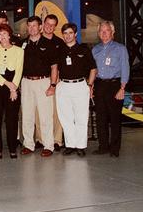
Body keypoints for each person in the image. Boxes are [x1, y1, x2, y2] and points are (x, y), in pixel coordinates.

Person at [52, 23, 97, 157]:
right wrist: (55, 84)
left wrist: (90, 85)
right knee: (65, 118)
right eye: (65, 33)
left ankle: (81, 146)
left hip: (80, 85)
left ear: (75, 34)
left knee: (81, 117)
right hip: (64, 86)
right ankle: (70, 144)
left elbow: (93, 69)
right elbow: (55, 68)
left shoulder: (84, 49)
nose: (68, 36)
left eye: (70, 33)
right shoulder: (59, 50)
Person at [20, 16, 58, 157]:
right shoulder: (22, 44)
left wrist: (52, 85)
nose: (32, 28)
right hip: (26, 82)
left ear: (40, 27)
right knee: (27, 115)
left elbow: (54, 67)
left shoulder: (48, 44)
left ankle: (48, 145)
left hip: (43, 82)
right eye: (29, 26)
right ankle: (28, 144)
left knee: (45, 116)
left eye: (34, 25)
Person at [91, 21, 129, 157]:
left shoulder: (120, 49)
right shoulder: (95, 50)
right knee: (100, 118)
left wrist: (122, 88)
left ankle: (114, 149)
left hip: (115, 85)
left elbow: (125, 68)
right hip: (99, 85)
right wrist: (91, 85)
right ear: (98, 33)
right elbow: (92, 70)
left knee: (115, 119)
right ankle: (103, 147)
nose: (104, 33)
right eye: (101, 31)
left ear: (112, 33)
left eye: (107, 30)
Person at [0, 24, 24, 159]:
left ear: (9, 35)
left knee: (12, 118)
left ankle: (12, 148)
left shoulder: (19, 51)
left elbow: (19, 70)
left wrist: (13, 88)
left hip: (13, 85)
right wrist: (8, 84)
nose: (2, 36)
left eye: (4, 34)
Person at [38, 14, 64, 150]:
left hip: (56, 80)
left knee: (56, 110)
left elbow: (61, 64)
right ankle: (40, 139)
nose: (49, 27)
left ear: (55, 27)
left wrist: (56, 82)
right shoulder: (36, 40)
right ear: (43, 24)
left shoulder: (59, 43)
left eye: (52, 25)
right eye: (47, 24)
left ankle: (56, 140)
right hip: (39, 80)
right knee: (39, 111)